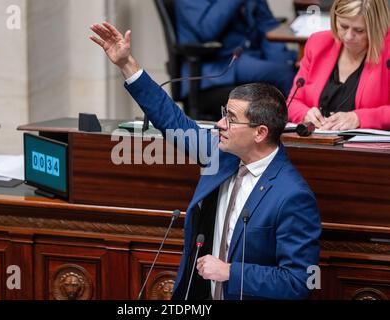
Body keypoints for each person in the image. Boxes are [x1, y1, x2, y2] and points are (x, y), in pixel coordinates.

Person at [90, 22, 321, 300]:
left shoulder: (292, 195)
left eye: (231, 119)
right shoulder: (222, 155)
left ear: (260, 133)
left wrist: (230, 272)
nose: (220, 124)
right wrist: (127, 64)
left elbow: (299, 282)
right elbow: (171, 119)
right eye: (224, 113)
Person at [288, 0, 390, 131]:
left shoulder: (387, 51)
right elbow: (292, 102)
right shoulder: (318, 44)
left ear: (377, 27)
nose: (348, 37)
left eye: (359, 30)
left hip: (368, 149)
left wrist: (359, 118)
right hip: (317, 143)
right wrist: (305, 114)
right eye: (343, 26)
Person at [175, 0, 297, 98]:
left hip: (252, 56)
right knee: (285, 74)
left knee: (300, 66)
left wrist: (283, 61)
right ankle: (296, 124)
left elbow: (267, 26)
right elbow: (207, 31)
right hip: (218, 65)